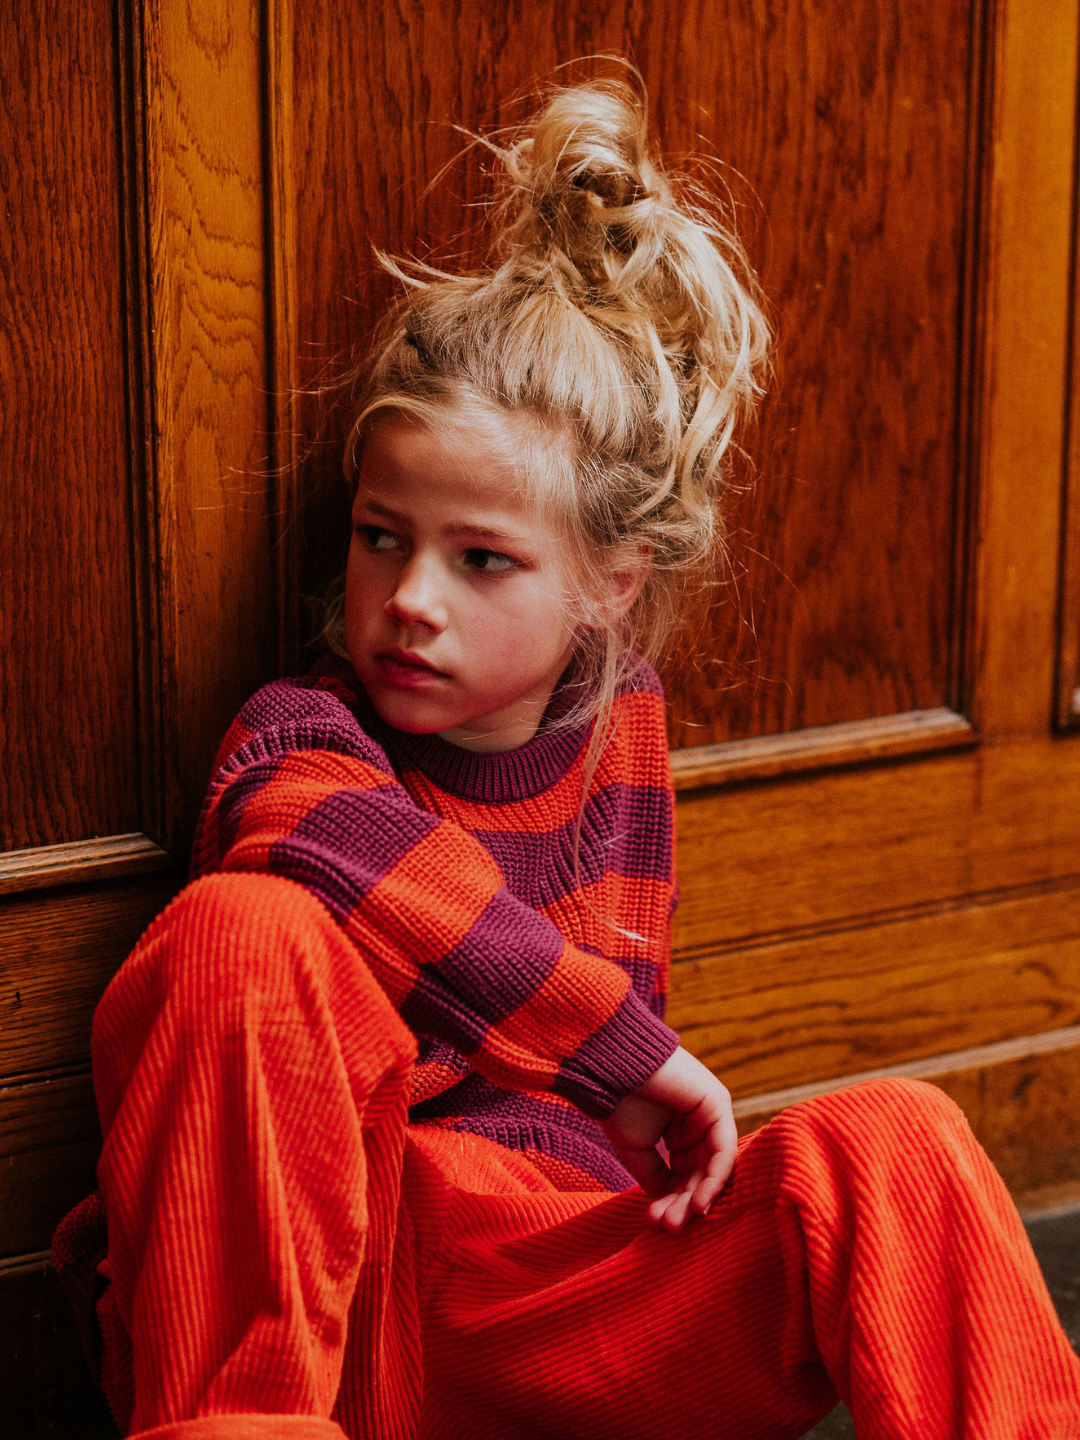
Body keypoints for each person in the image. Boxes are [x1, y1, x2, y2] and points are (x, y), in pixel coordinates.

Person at [53, 77, 1080, 1440]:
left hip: (557, 1309)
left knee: (898, 1141)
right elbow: (369, 883)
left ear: (611, 580)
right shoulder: (299, 738)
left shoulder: (621, 729)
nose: (412, 597)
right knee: (237, 930)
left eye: (482, 560)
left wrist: (621, 1102)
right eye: (381, 536)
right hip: (333, 1304)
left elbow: (609, 1137)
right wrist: (615, 1047)